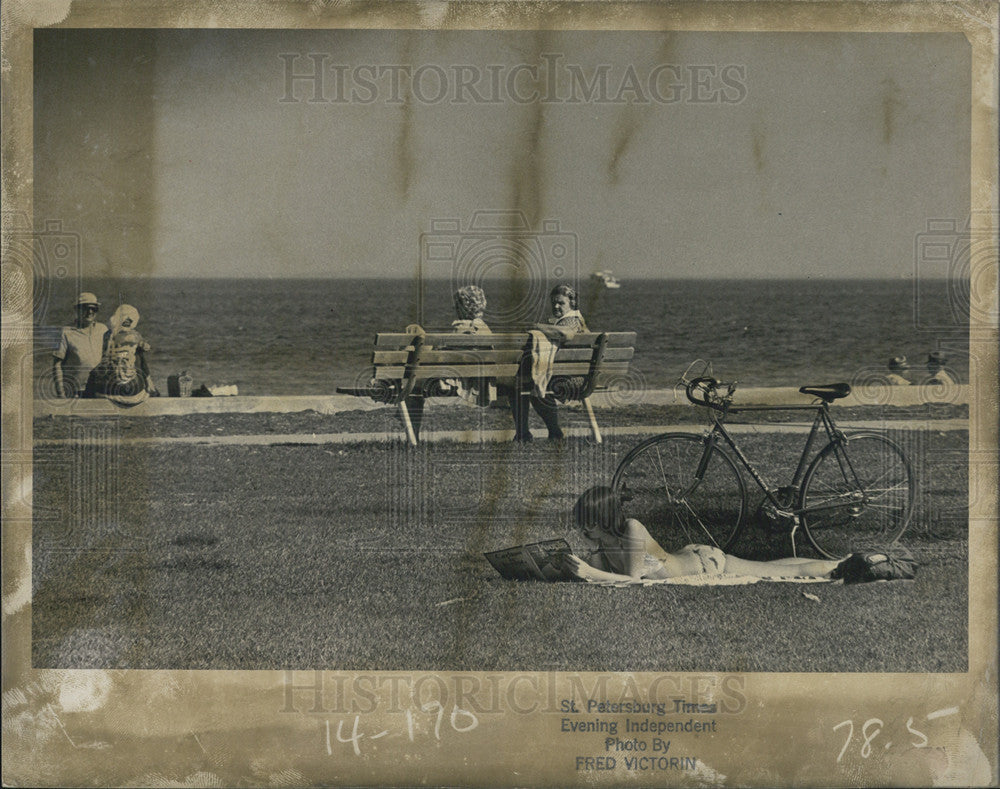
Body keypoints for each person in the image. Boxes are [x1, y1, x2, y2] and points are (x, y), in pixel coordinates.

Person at [558, 486, 842, 583]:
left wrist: (589, 572)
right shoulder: (603, 547)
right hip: (693, 555)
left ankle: (841, 565)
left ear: (605, 519)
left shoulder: (632, 529)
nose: (583, 529)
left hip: (706, 562)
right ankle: (840, 561)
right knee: (773, 568)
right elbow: (601, 573)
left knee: (786, 573)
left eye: (589, 522)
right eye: (581, 522)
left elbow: (632, 581)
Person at [404, 285, 491, 440]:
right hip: (481, 383)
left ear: (461, 307)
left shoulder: (459, 330)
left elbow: (441, 358)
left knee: (412, 387)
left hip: (452, 382)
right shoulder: (486, 331)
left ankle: (414, 436)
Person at [511, 284, 589, 442]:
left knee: (522, 384)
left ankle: (525, 433)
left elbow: (564, 334)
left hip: (571, 381)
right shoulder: (572, 321)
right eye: (553, 302)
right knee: (530, 381)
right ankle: (551, 433)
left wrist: (536, 327)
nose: (556, 306)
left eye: (561, 303)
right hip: (577, 376)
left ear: (572, 303)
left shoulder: (572, 321)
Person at [86, 304, 157, 400]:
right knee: (138, 356)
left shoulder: (107, 335)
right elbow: (142, 346)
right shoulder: (135, 335)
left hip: (108, 389)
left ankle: (87, 399)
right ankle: (150, 387)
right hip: (132, 389)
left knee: (94, 373)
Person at [52, 292, 108, 398]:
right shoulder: (65, 332)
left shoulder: (103, 330)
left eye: (94, 308)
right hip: (75, 391)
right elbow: (57, 365)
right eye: (86, 308)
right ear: (77, 309)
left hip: (100, 389)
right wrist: (61, 393)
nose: (90, 312)